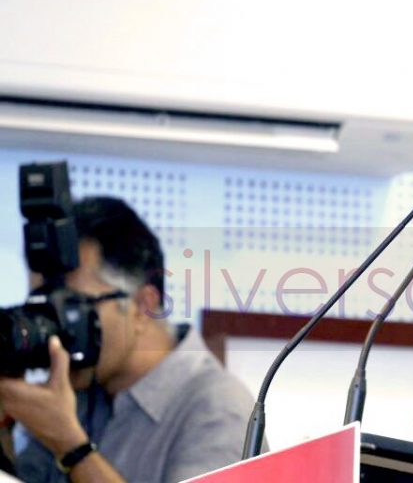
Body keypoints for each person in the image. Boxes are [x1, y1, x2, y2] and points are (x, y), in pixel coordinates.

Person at [0, 196, 258, 482]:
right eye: (44, 309)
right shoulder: (81, 394)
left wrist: (71, 446)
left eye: (71, 308)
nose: (56, 327)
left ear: (142, 307)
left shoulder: (216, 409)